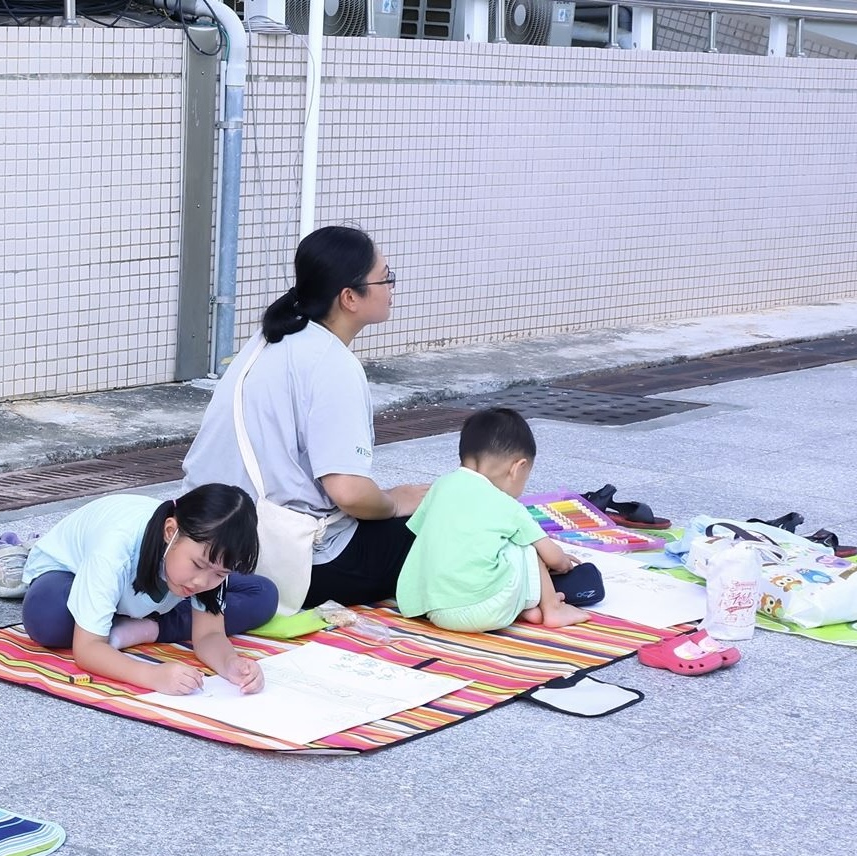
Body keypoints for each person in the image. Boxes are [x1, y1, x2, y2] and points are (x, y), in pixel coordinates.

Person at [180, 225, 429, 609]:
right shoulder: (332, 363)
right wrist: (395, 502)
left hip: (208, 534)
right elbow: (348, 492)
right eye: (386, 278)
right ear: (349, 297)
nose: (391, 288)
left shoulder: (270, 338)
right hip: (290, 559)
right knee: (443, 526)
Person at [20, 484, 276, 696]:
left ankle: (145, 628)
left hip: (148, 593)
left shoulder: (204, 566)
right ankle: (129, 622)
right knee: (49, 620)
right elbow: (87, 650)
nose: (202, 582)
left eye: (220, 574)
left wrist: (231, 663)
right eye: (198, 565)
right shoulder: (115, 548)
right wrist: (152, 675)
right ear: (170, 532)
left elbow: (209, 634)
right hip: (67, 576)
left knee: (263, 593)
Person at [395, 407, 590, 632]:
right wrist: (563, 563)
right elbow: (553, 557)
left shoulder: (440, 487)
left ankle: (524, 607)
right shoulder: (505, 504)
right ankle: (553, 608)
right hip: (485, 609)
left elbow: (425, 535)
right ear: (518, 468)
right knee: (525, 543)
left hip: (434, 609)